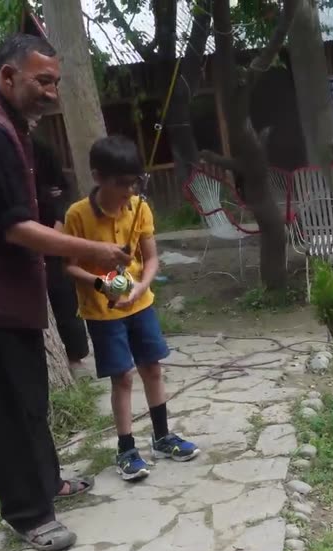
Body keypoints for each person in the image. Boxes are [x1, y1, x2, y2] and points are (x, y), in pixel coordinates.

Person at [0, 33, 131, 551]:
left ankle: (48, 483)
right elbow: (14, 227)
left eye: (55, 82)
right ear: (8, 76)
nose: (51, 92)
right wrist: (92, 253)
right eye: (42, 81)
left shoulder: (15, 128)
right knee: (5, 409)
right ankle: (28, 514)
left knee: (30, 398)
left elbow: (38, 213)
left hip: (9, 294)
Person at [63, 135, 199, 482]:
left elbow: (151, 259)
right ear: (98, 176)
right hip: (102, 310)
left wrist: (140, 287)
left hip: (140, 303)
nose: (128, 192)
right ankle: (126, 449)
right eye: (120, 184)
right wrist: (101, 284)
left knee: (152, 368)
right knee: (122, 377)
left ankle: (162, 437)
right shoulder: (77, 215)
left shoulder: (140, 208)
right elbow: (71, 266)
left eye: (133, 183)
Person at [32, 131, 89, 370]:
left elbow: (61, 192)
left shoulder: (40, 146)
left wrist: (55, 231)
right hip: (23, 236)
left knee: (63, 295)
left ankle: (75, 356)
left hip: (51, 231)